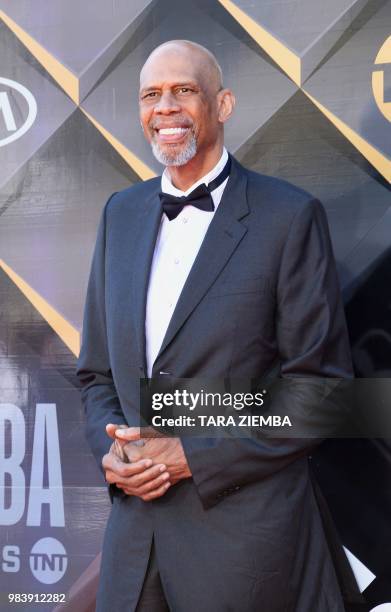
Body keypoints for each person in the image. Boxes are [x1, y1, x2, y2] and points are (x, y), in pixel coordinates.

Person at [76, 40, 364, 611]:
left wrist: (193, 454)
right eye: (151, 94)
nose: (165, 107)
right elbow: (96, 376)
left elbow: (323, 392)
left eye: (184, 89)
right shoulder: (120, 214)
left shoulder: (289, 217)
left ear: (223, 103)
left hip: (246, 553)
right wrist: (114, 453)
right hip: (134, 549)